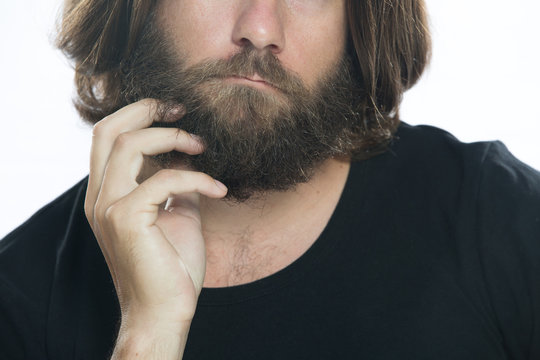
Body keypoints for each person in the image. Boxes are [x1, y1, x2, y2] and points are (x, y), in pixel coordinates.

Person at [1, 0, 539, 359]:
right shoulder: (18, 301)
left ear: (362, 23)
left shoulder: (501, 219)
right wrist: (148, 333)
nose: (260, 29)